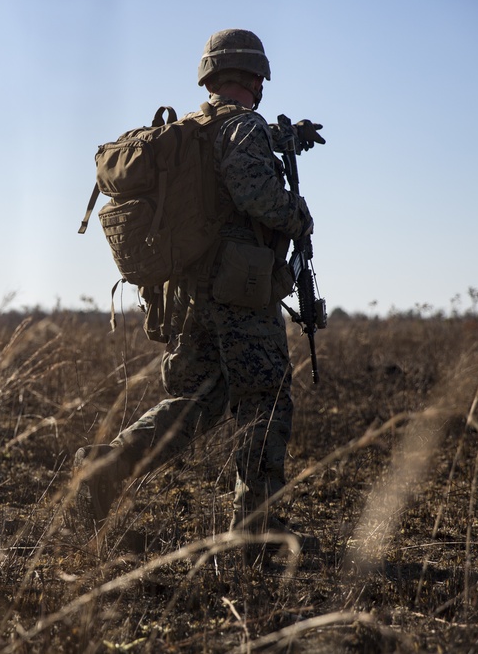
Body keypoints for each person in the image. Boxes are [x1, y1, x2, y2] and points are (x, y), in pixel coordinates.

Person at [74, 29, 325, 552]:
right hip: (239, 289)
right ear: (257, 79)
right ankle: (256, 527)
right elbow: (253, 189)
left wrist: (287, 137)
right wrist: (297, 216)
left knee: (198, 398)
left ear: (208, 78)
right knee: (265, 399)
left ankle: (105, 467)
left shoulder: (189, 129)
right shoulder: (244, 127)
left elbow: (223, 159)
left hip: (186, 290)